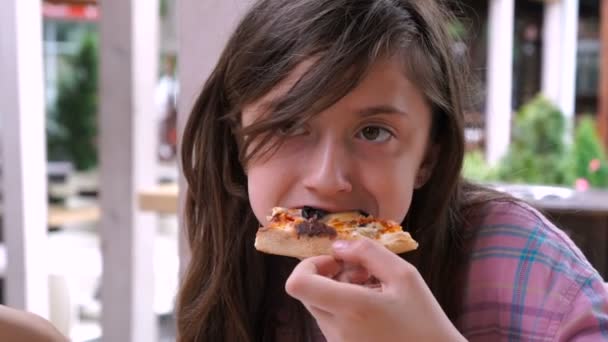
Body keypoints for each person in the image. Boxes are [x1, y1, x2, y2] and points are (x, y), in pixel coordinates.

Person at [177, 0, 608, 341]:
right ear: (239, 142)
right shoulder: (231, 267)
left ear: (427, 157)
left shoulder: (522, 261)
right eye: (289, 125)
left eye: (373, 132)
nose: (328, 178)